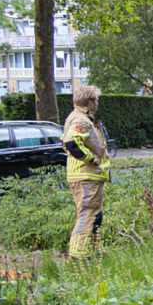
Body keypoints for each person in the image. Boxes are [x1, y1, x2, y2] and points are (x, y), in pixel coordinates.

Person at [62, 85, 110, 260]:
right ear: (90, 102)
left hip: (88, 176)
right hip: (85, 176)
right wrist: (91, 159)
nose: (97, 103)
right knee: (88, 214)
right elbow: (71, 143)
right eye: (96, 100)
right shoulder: (80, 120)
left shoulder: (83, 118)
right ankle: (78, 256)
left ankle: (91, 251)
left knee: (95, 215)